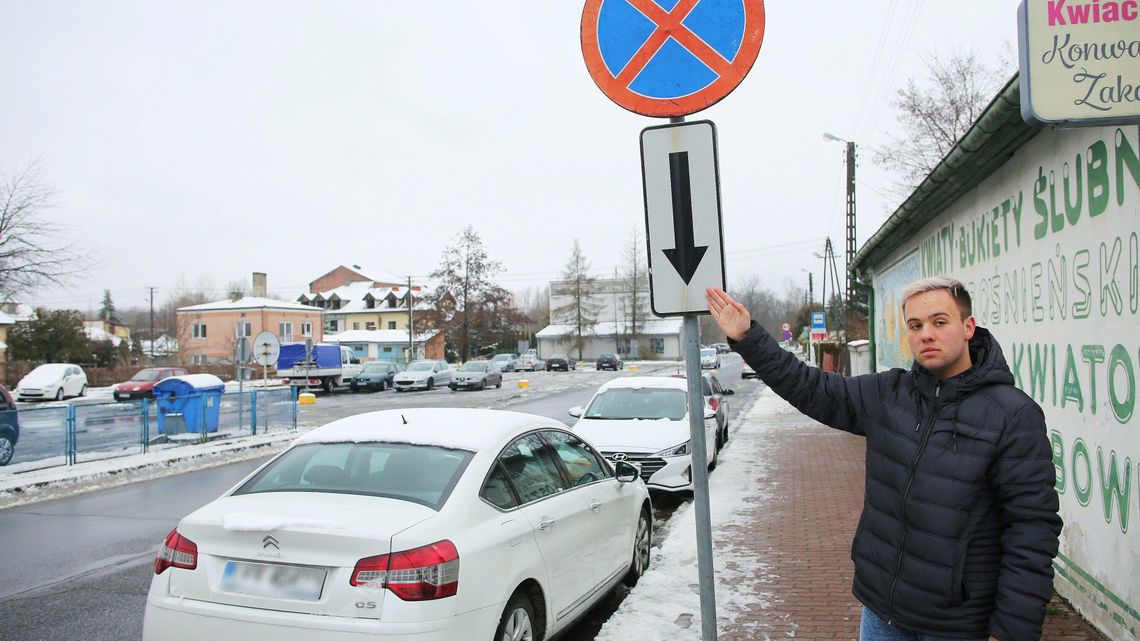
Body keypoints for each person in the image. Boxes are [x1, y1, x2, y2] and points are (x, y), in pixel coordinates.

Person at [706, 278, 1061, 641]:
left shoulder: (1013, 415)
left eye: (940, 322)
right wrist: (748, 336)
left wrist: (1012, 630)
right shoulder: (889, 394)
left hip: (960, 623)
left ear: (968, 327)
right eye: (915, 325)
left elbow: (1032, 530)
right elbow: (809, 386)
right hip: (883, 613)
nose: (926, 334)